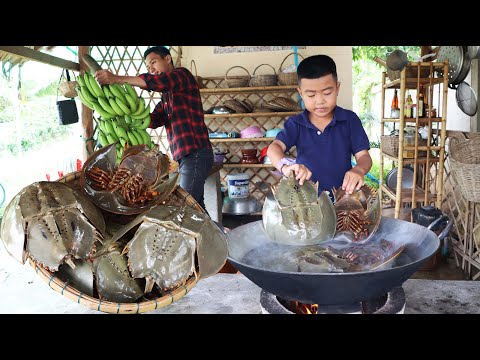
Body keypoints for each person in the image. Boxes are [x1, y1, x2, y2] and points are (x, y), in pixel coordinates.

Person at [95, 46, 213, 211]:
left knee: (185, 208)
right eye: (148, 67)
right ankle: (218, 234)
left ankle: (214, 234)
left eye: (154, 62)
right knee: (197, 206)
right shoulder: (168, 97)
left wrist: (117, 79)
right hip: (187, 157)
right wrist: (127, 113)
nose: (151, 69)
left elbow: (158, 83)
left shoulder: (182, 75)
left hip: (196, 153)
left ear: (167, 59)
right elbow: (154, 120)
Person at [267, 54, 372, 198]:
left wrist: (359, 170)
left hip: (343, 198)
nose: (320, 101)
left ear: (337, 88)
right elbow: (274, 148)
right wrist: (285, 167)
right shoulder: (296, 123)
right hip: (306, 201)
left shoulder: (349, 120)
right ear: (301, 93)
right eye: (311, 95)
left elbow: (364, 156)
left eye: (327, 93)